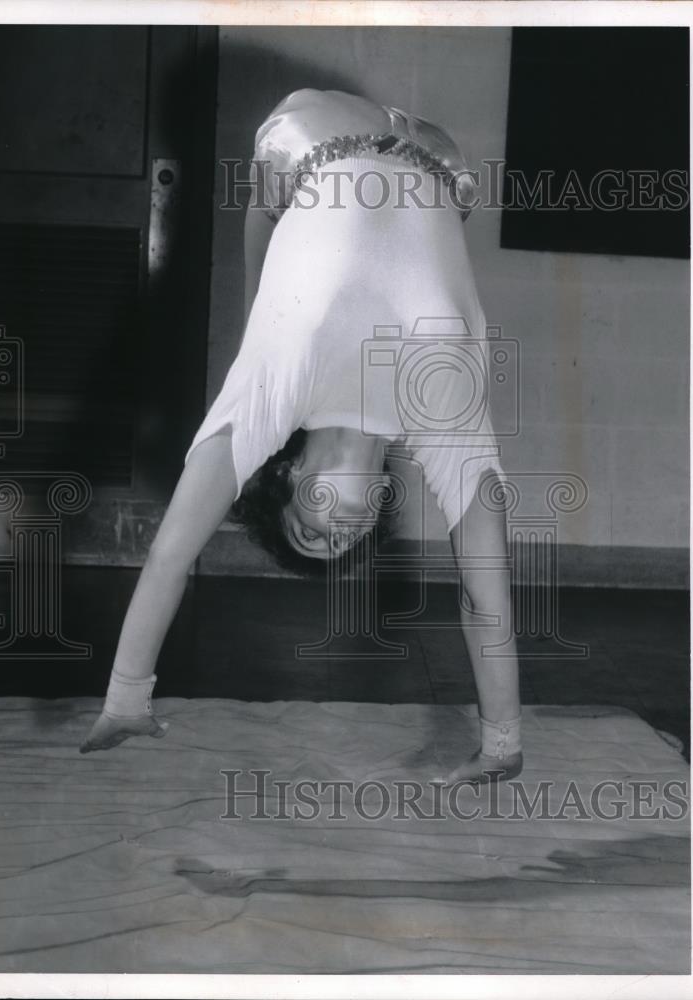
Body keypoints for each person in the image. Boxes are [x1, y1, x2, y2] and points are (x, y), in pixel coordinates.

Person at [80, 88, 523, 783]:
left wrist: (126, 696)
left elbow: (169, 555)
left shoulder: (270, 406)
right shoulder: (442, 421)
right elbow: (483, 596)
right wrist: (501, 744)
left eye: (310, 530)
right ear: (378, 503)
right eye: (343, 543)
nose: (336, 536)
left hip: (313, 133)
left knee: (270, 232)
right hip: (441, 161)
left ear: (283, 476)